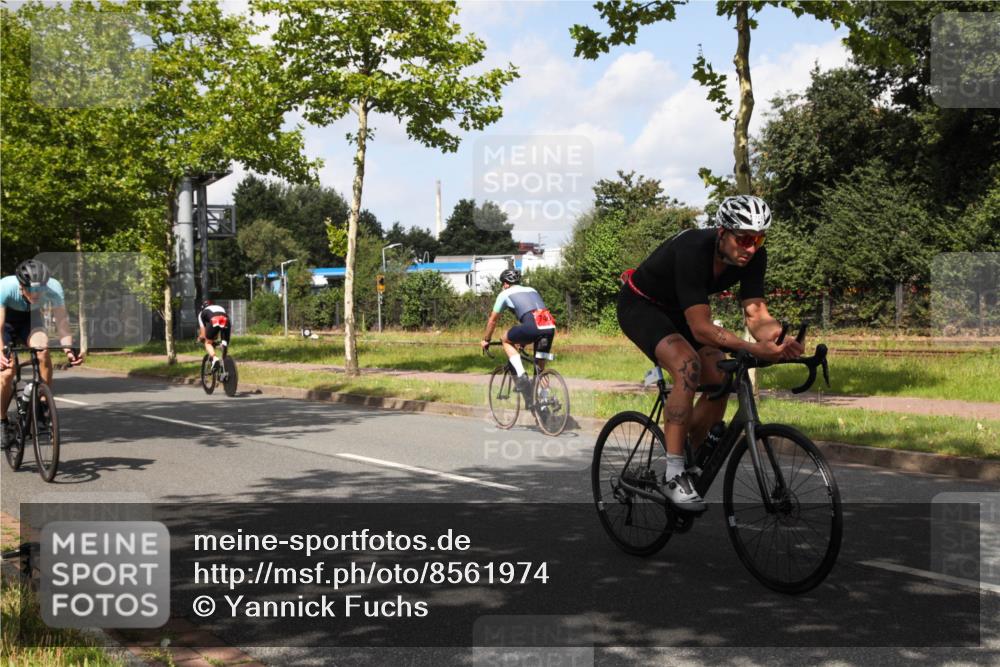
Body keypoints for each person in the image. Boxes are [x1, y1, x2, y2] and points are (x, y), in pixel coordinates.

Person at [617, 195, 803, 510]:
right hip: (642, 306)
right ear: (722, 232)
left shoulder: (754, 257)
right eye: (744, 238)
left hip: (679, 310)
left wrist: (779, 340)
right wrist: (752, 348)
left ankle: (687, 447)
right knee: (687, 366)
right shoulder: (693, 249)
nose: (751, 248)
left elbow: (757, 313)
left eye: (758, 239)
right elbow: (702, 328)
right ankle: (674, 474)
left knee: (721, 376)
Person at [1, 260, 84, 447]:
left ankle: (42, 406)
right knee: (7, 372)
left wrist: (69, 349)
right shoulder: (5, 287)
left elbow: (62, 323)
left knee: (43, 351)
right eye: (30, 289)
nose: (36, 294)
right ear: (21, 286)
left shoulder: (54, 288)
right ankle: (2, 421)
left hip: (30, 321)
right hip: (4, 324)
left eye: (40, 289)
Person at [480, 269, 556, 397]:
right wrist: (523, 341)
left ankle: (521, 376)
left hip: (532, 326)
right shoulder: (532, 290)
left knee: (505, 339)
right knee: (540, 368)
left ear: (505, 284)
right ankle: (544, 401)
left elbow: (492, 320)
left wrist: (486, 340)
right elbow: (535, 315)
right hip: (549, 326)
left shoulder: (504, 294)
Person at [197, 300, 231, 369]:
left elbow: (203, 334)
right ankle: (224, 363)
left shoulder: (201, 313)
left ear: (202, 308)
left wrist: (200, 338)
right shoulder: (219, 307)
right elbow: (220, 321)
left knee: (208, 343)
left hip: (215, 320)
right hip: (226, 320)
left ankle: (215, 359)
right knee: (224, 343)